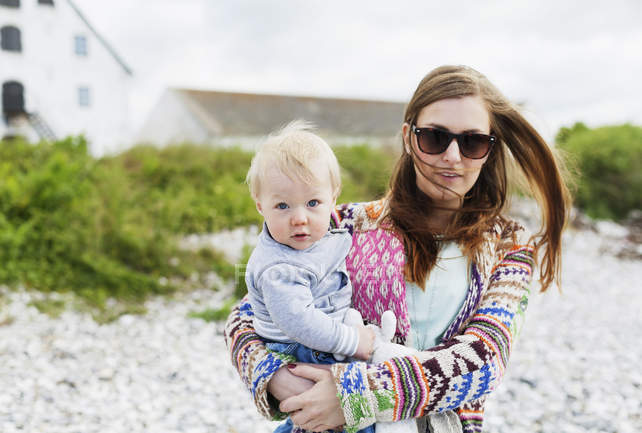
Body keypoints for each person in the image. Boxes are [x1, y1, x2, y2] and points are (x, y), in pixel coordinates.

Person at [224, 65, 572, 433]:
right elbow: (246, 316)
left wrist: (354, 396)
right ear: (408, 137)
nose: (453, 156)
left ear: (489, 150)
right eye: (435, 138)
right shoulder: (344, 225)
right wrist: (277, 378)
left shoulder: (510, 245)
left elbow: (485, 360)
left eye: (472, 142)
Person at [243, 120, 376, 433]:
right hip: (301, 347)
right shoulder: (278, 268)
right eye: (283, 206)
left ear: (334, 197)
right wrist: (353, 340)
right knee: (329, 418)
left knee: (331, 417)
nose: (299, 218)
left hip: (320, 338)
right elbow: (300, 321)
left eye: (313, 203)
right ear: (261, 206)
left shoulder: (320, 238)